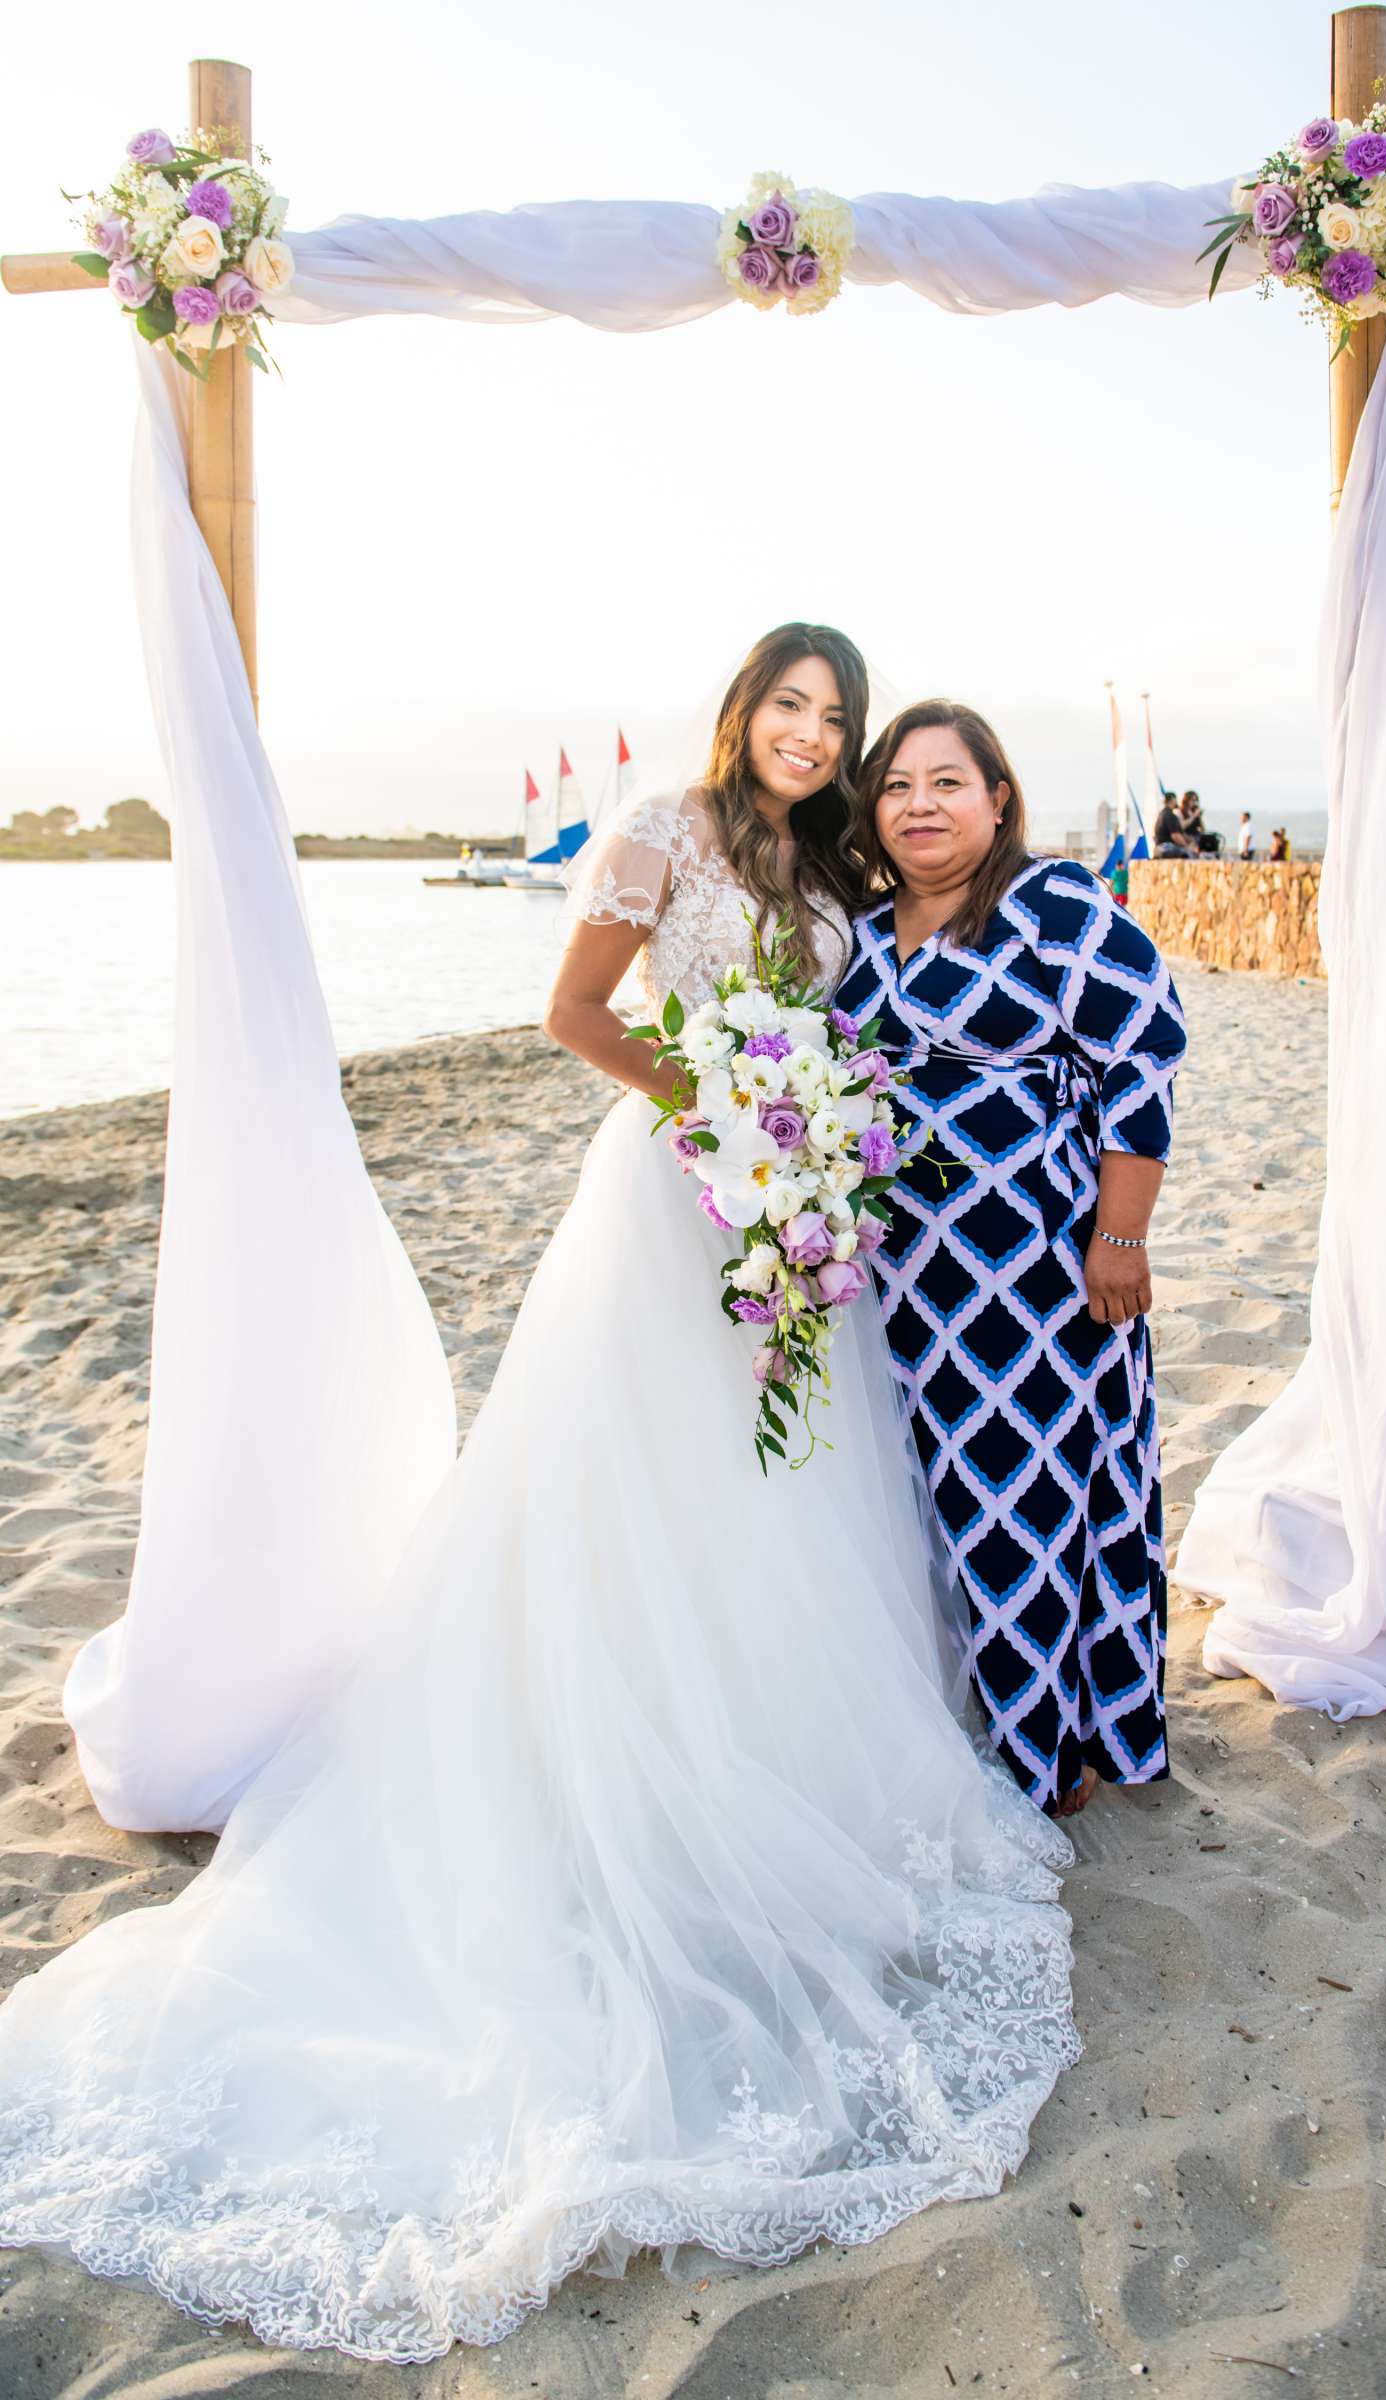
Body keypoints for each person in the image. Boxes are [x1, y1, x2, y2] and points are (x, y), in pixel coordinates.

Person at [0, 628, 1079, 2361]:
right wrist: (720, 1098)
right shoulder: (665, 823)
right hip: (666, 1197)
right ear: (745, 712)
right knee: (626, 1495)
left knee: (781, 1497)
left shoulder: (832, 863)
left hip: (785, 1207)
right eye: (789, 708)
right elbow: (571, 1009)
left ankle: (758, 1764)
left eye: (837, 719)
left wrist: (803, 1125)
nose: (812, 737)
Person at [833, 701, 1186, 1821]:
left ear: (997, 798)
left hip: (1028, 1268)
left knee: (1025, 1497)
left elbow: (1143, 1059)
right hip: (893, 1276)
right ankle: (964, 1721)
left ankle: (1047, 1747)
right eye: (896, 786)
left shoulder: (1052, 906)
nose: (920, 805)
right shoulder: (859, 924)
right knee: (919, 1500)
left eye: (947, 782)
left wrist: (1119, 1238)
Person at [1152, 790, 1196, 857]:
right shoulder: (1170, 815)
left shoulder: (1161, 814)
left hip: (1159, 847)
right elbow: (1175, 835)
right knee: (1190, 854)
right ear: (1172, 800)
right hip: (1167, 847)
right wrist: (1186, 846)